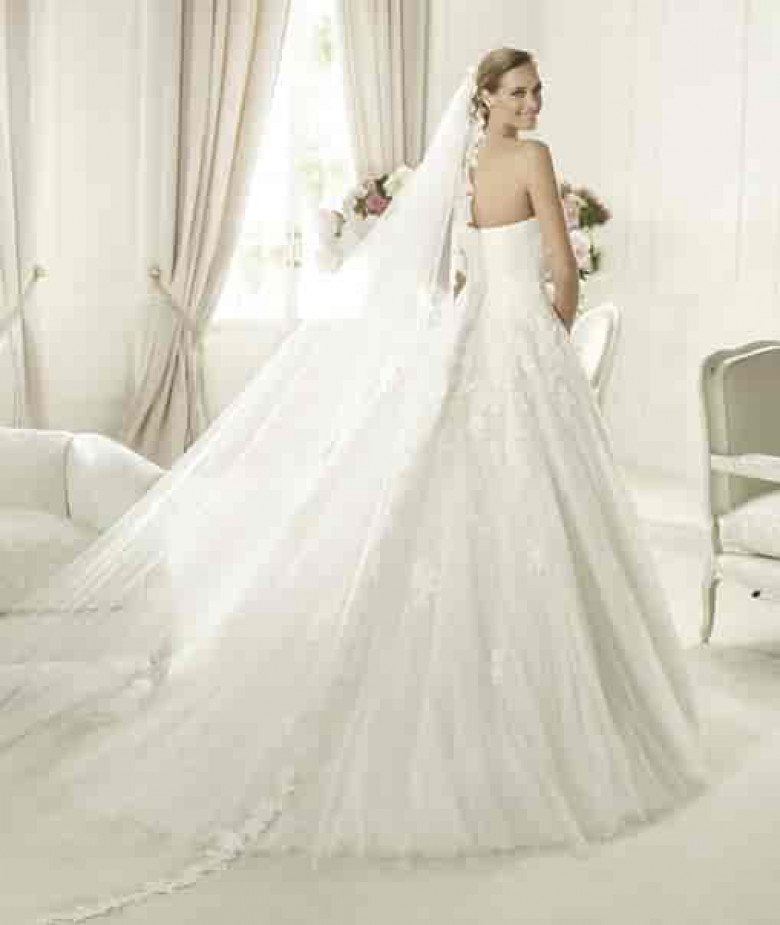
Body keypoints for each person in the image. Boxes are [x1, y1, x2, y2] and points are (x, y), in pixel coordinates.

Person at [0, 48, 709, 924]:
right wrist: (551, 338)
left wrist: (485, 317)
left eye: (536, 92)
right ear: (488, 99)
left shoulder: (464, 165)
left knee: (459, 504)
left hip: (472, 338)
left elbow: (459, 275)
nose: (533, 103)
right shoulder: (533, 158)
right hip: (521, 341)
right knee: (548, 512)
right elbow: (562, 270)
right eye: (520, 91)